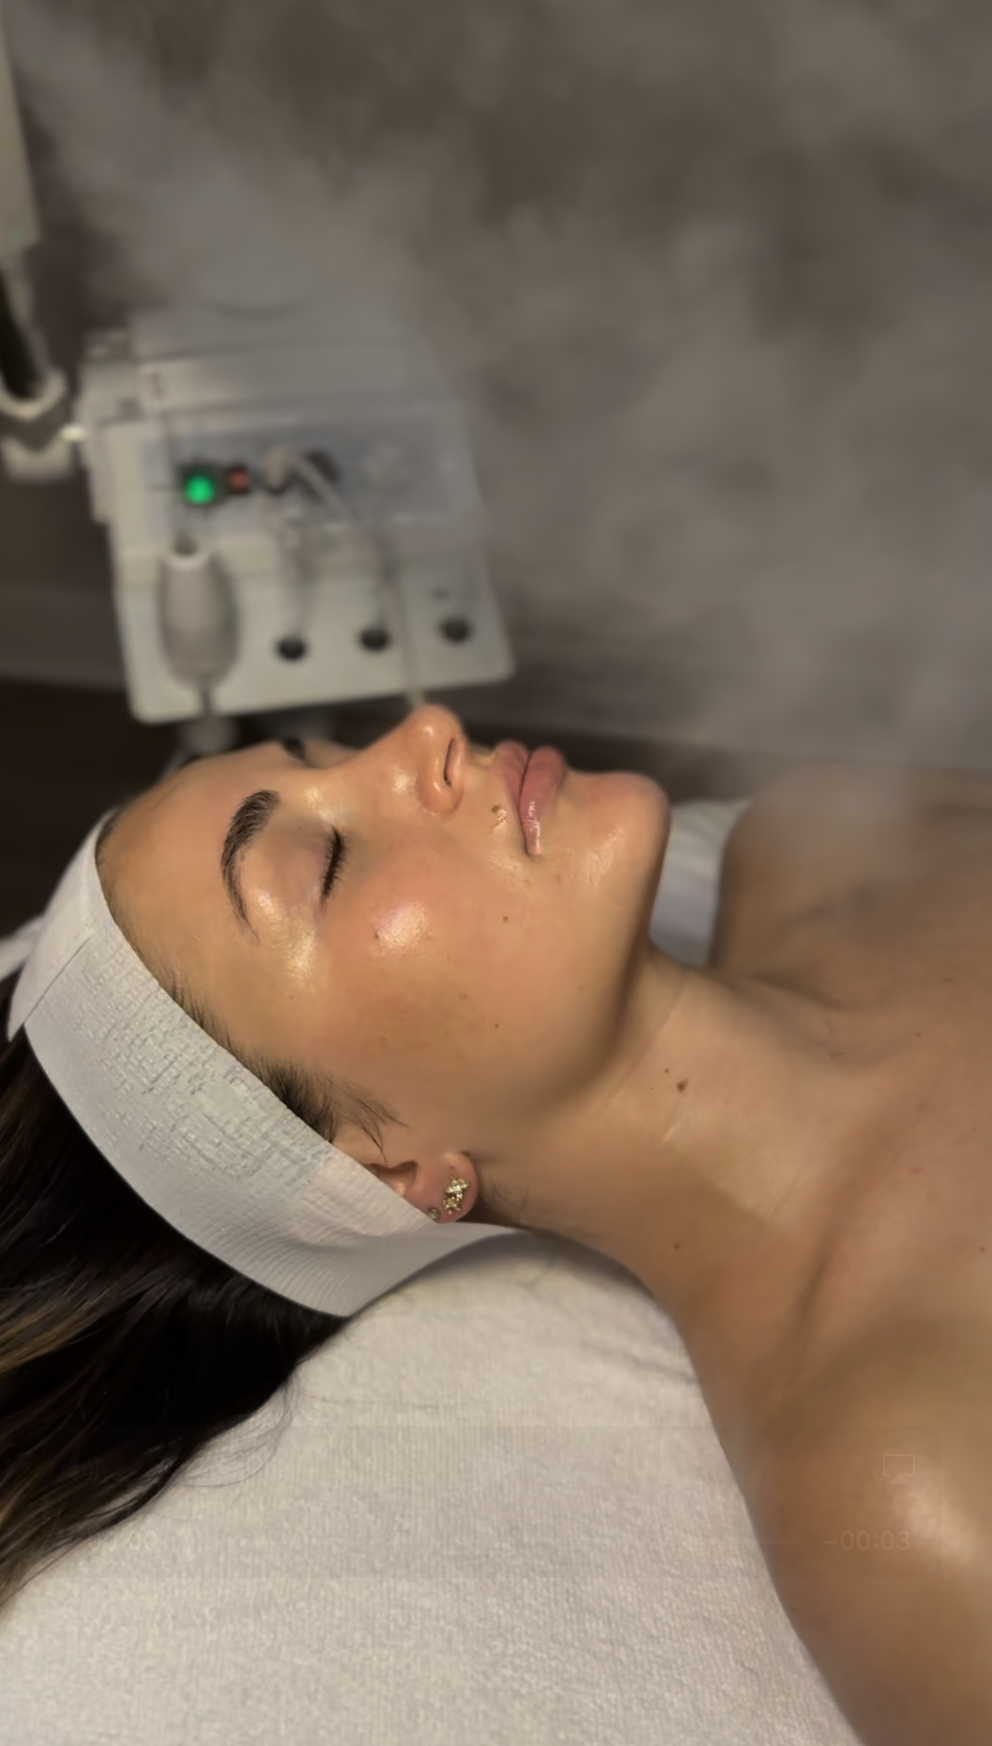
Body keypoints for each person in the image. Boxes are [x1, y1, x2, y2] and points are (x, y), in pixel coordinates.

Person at [3, 701, 992, 1744]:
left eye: (327, 750)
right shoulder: (908, 1488)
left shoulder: (828, 838)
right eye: (326, 862)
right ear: (395, 1172)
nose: (425, 730)